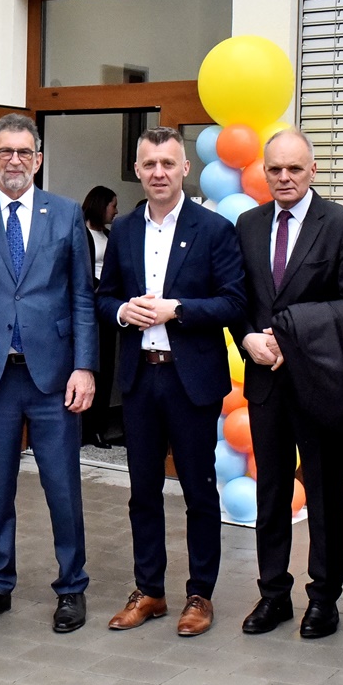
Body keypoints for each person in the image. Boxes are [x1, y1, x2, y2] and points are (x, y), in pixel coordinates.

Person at [0, 113, 98, 634]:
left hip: (54, 377)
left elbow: (82, 296)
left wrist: (85, 366)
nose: (15, 160)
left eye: (24, 152)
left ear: (38, 159)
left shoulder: (66, 213)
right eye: (6, 152)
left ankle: (71, 586)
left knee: (63, 488)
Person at [96, 128, 245, 637]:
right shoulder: (123, 229)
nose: (158, 172)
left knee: (199, 492)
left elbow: (233, 302)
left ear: (185, 168)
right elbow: (103, 297)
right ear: (138, 170)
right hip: (140, 379)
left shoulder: (214, 229)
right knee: (142, 491)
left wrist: (176, 310)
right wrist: (123, 311)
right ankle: (150, 591)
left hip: (192, 382)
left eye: (167, 163)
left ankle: (200, 594)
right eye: (148, 164)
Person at [233, 129, 343, 640]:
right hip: (265, 380)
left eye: (294, 168)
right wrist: (247, 336)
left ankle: (324, 599)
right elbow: (240, 297)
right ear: (264, 172)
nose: (284, 177)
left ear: (312, 170)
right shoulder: (248, 224)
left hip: (319, 382)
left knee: (325, 494)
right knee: (270, 492)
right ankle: (273, 593)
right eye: (275, 169)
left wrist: (293, 336)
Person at [82, 185, 121, 447]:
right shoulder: (80, 233)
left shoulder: (109, 235)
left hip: (106, 309)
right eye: (112, 205)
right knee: (88, 366)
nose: (116, 211)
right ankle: (84, 428)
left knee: (106, 367)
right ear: (100, 205)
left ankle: (99, 427)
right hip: (88, 309)